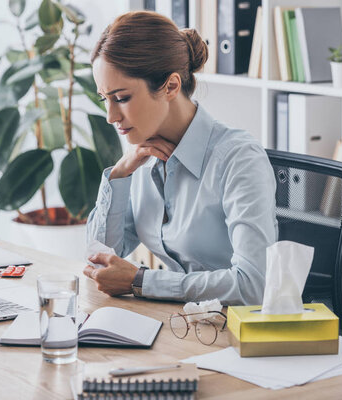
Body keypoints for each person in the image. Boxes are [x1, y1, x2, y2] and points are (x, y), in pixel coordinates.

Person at [83, 11, 277, 305]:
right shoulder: (140, 157)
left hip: (236, 333)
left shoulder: (239, 159)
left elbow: (254, 285)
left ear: (171, 86)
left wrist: (141, 281)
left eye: (121, 98)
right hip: (181, 323)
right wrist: (120, 174)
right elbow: (102, 256)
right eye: (104, 99)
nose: (111, 116)